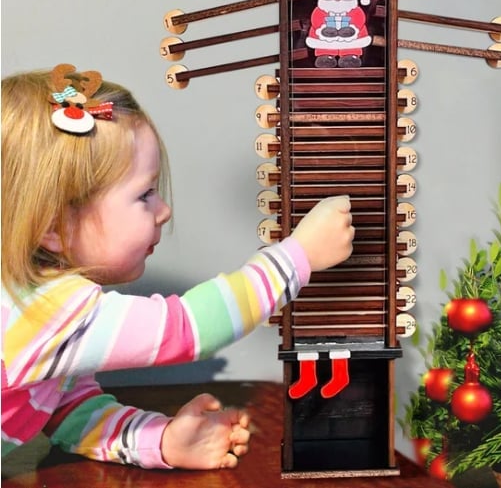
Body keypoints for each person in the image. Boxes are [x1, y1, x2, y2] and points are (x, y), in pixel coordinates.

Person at [1, 64, 355, 470]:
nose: (164, 210)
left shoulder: (42, 320)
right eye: (145, 195)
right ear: (54, 227)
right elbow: (189, 326)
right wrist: (299, 256)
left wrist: (163, 440)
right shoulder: (47, 314)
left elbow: (69, 411)